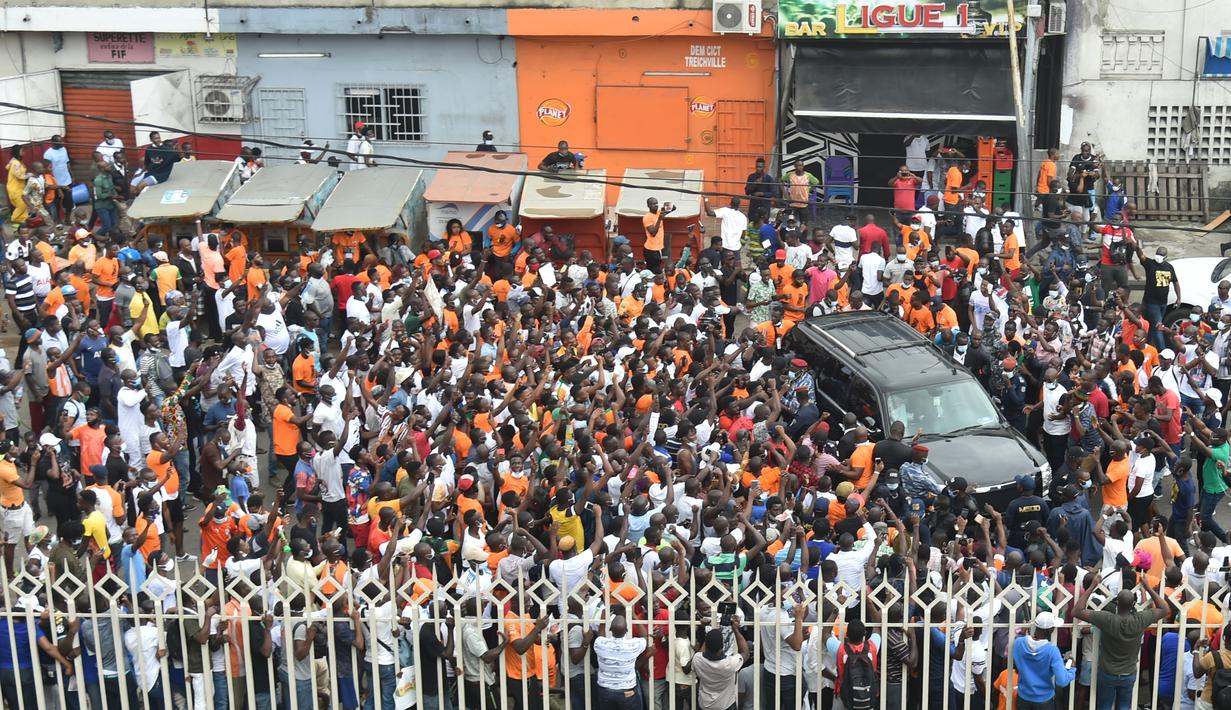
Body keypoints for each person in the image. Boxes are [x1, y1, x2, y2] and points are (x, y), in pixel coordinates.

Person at [1073, 578, 1170, 710]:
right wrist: (1147, 588)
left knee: (1104, 706)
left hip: (1107, 672)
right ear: (1134, 604)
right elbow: (1165, 609)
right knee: (1124, 706)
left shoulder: (1107, 619)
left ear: (1117, 603)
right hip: (1128, 673)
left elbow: (1077, 611)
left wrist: (1092, 586)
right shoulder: (1140, 619)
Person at [1011, 611, 1075, 709]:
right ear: (1051, 630)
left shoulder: (1018, 643)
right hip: (1044, 699)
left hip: (1023, 696)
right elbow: (1062, 681)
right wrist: (1071, 669)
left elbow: (1016, 664)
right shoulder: (1052, 651)